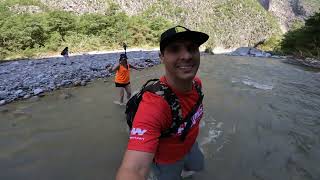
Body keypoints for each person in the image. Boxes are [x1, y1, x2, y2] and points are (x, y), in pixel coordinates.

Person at [116, 25, 209, 180]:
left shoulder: (197, 84)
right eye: (174, 49)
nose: (186, 56)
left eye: (191, 48)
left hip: (190, 145)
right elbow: (134, 169)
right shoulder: (154, 106)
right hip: (167, 161)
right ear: (161, 57)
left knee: (198, 168)